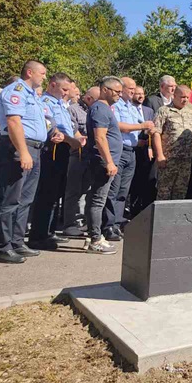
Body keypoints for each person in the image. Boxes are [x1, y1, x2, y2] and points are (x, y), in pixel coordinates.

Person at [0, 61, 53, 263]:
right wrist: (23, 152)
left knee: (25, 199)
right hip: (17, 148)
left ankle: (17, 242)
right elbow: (13, 122)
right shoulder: (15, 90)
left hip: (34, 148)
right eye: (42, 73)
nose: (44, 77)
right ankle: (1, 246)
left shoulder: (33, 96)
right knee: (8, 198)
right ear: (30, 72)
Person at [28, 73, 83, 249]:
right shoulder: (45, 103)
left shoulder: (61, 104)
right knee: (46, 193)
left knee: (56, 194)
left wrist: (77, 140)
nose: (67, 93)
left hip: (65, 149)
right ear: (52, 85)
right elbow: (52, 128)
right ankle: (38, 235)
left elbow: (70, 128)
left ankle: (49, 232)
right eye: (64, 89)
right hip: (52, 150)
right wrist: (71, 140)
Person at [102, 77, 154, 240]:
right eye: (130, 88)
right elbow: (118, 126)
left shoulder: (131, 107)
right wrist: (142, 126)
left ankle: (117, 223)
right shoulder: (115, 106)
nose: (132, 91)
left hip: (132, 151)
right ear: (121, 88)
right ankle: (107, 225)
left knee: (124, 191)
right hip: (119, 151)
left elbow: (139, 126)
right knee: (113, 190)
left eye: (134, 88)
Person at [81, 76, 124, 254]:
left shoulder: (105, 109)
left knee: (97, 199)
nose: (119, 95)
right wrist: (109, 161)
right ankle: (95, 239)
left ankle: (95, 236)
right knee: (98, 200)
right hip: (102, 162)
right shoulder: (99, 108)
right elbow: (99, 137)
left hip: (106, 161)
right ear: (105, 90)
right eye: (117, 91)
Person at [153, 85, 192, 200]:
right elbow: (156, 133)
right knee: (164, 192)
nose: (185, 100)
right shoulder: (164, 111)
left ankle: (175, 218)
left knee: (180, 192)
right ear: (174, 95)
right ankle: (162, 217)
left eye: (187, 97)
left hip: (185, 161)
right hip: (168, 160)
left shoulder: (191, 113)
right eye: (182, 97)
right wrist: (160, 155)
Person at [62, 85, 98, 236]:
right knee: (73, 191)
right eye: (96, 100)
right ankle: (69, 224)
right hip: (79, 154)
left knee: (89, 191)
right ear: (88, 98)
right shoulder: (73, 110)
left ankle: (85, 222)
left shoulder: (96, 110)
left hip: (93, 156)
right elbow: (73, 131)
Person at [128, 86, 156, 215]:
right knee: (134, 181)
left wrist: (150, 146)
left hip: (146, 151)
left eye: (142, 94)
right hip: (132, 149)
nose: (140, 96)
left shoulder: (149, 111)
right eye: (137, 94)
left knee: (146, 180)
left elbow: (152, 130)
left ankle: (143, 209)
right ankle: (132, 209)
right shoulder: (128, 109)